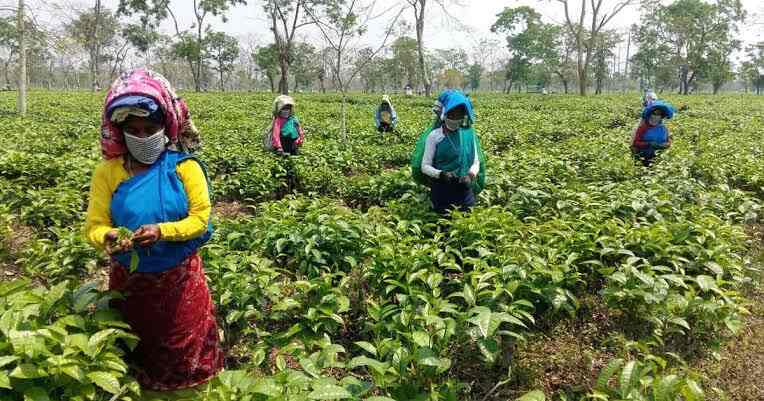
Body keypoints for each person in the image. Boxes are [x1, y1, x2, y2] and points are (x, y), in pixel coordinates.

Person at [84, 69, 222, 391]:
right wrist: (109, 236)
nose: (143, 136)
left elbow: (200, 219)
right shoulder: (108, 173)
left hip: (180, 283)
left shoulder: (185, 167)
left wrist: (161, 231)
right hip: (131, 284)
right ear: (120, 132)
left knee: (185, 353)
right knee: (137, 351)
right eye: (134, 130)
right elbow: (93, 226)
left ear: (166, 127)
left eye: (151, 128)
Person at [418, 90, 486, 214]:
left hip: (464, 190)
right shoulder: (435, 136)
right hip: (442, 190)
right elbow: (425, 166)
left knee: (466, 222)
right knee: (444, 224)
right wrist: (441, 174)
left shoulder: (468, 135)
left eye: (460, 114)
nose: (456, 117)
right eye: (452, 113)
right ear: (445, 113)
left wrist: (470, 176)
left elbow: (476, 162)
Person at [630, 100, 675, 166]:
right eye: (654, 113)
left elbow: (668, 141)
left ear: (661, 117)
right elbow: (635, 143)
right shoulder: (643, 128)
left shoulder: (663, 128)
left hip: (660, 157)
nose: (656, 116)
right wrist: (649, 144)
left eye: (659, 114)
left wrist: (666, 145)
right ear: (650, 115)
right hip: (644, 157)